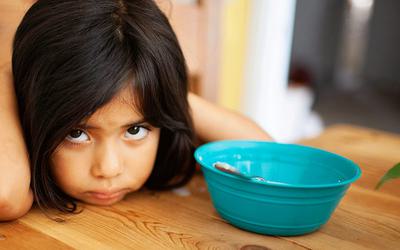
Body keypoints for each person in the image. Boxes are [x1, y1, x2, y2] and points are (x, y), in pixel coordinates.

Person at [0, 0, 271, 221]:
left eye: (135, 130)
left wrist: (166, 92)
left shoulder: (168, 141)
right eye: (76, 133)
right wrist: (6, 79)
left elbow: (268, 158)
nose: (108, 168)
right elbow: (4, 196)